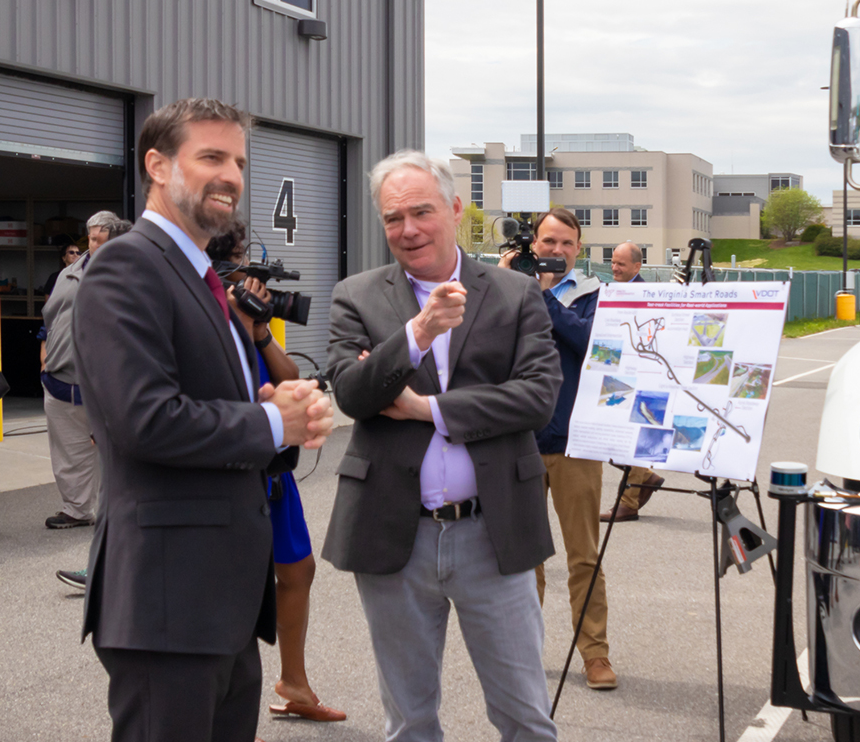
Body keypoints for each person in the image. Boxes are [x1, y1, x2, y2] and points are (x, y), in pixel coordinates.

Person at [72, 98, 334, 742]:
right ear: (157, 165)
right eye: (211, 157)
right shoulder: (127, 265)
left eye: (239, 161)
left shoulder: (204, 279)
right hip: (168, 604)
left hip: (222, 606)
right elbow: (146, 420)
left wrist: (277, 412)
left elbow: (213, 405)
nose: (232, 176)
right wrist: (273, 427)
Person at [324, 150, 562, 741]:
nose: (408, 230)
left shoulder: (514, 293)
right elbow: (352, 394)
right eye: (393, 218)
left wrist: (424, 408)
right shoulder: (357, 295)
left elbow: (537, 398)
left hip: (493, 532)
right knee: (408, 720)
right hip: (392, 534)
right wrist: (418, 333)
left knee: (525, 716)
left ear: (454, 209)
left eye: (422, 212)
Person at [206, 223, 346, 725]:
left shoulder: (251, 317)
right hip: (233, 470)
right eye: (241, 260)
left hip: (273, 471)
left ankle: (294, 683)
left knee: (298, 570)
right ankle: (226, 713)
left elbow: (287, 377)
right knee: (236, 588)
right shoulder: (205, 313)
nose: (251, 274)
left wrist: (261, 328)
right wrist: (240, 320)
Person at [500, 207, 617, 690]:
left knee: (583, 556)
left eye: (567, 243)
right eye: (548, 242)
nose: (556, 251)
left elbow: (592, 343)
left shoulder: (594, 296)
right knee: (526, 556)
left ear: (579, 250)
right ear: (534, 245)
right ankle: (524, 654)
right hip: (520, 441)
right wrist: (505, 285)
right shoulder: (506, 289)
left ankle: (594, 654)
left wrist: (543, 297)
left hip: (576, 442)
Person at [41, 211, 128, 532]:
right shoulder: (68, 274)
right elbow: (50, 316)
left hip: (105, 387)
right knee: (68, 452)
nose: (96, 245)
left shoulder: (129, 275)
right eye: (92, 238)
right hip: (60, 382)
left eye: (103, 240)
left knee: (116, 454)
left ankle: (118, 514)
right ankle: (76, 509)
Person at [600, 241, 666, 523]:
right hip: (615, 372)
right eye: (613, 262)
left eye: (621, 264)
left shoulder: (646, 295)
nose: (614, 268)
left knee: (634, 436)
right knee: (601, 434)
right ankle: (645, 476)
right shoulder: (612, 290)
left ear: (637, 267)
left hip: (641, 374)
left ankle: (628, 503)